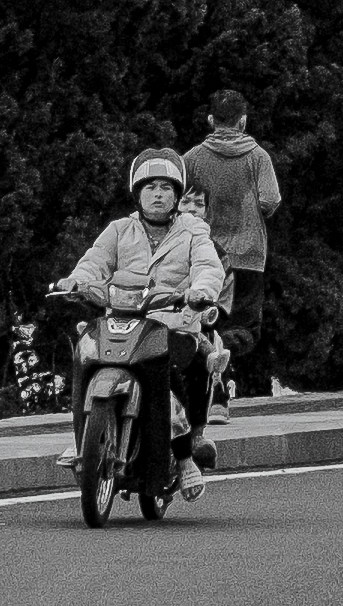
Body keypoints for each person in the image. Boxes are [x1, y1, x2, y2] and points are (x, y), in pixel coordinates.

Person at [59, 148, 228, 491]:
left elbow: (209, 267)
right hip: (121, 322)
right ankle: (83, 442)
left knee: (170, 373)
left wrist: (200, 291)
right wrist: (76, 281)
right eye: (150, 187)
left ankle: (183, 458)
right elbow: (94, 262)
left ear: (177, 195)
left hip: (174, 324)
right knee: (84, 353)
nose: (158, 194)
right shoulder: (119, 229)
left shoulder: (193, 230)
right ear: (137, 193)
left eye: (166, 188)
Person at [184, 90, 284, 393]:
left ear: (211, 120)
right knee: (244, 329)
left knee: (202, 324)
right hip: (248, 255)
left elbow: (180, 201)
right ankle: (219, 377)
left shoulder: (192, 158)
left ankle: (213, 382)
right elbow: (270, 200)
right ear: (243, 121)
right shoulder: (258, 158)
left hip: (203, 255)